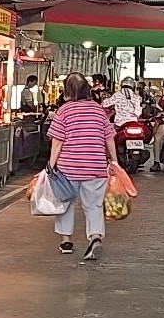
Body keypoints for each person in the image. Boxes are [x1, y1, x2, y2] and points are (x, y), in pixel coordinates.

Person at [47, 73, 116, 261]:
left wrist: (50, 165)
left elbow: (57, 142)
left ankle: (66, 240)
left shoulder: (63, 111)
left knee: (65, 202)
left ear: (67, 91)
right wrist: (115, 161)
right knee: (93, 204)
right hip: (95, 166)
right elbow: (109, 138)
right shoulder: (98, 110)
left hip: (68, 168)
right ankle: (95, 236)